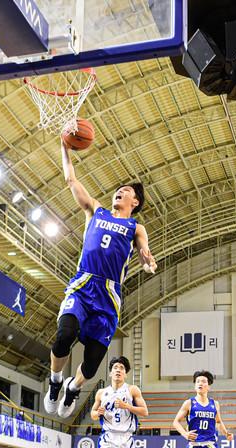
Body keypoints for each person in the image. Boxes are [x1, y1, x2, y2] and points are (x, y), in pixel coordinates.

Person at [44, 140, 157, 419]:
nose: (120, 191)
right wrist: (65, 148)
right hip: (84, 284)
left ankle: (73, 388)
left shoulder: (135, 227)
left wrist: (147, 261)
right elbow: (71, 180)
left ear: (135, 202)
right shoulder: (96, 210)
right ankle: (56, 381)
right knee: (64, 335)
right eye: (119, 189)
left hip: (108, 294)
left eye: (126, 191)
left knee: (93, 363)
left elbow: (144, 250)